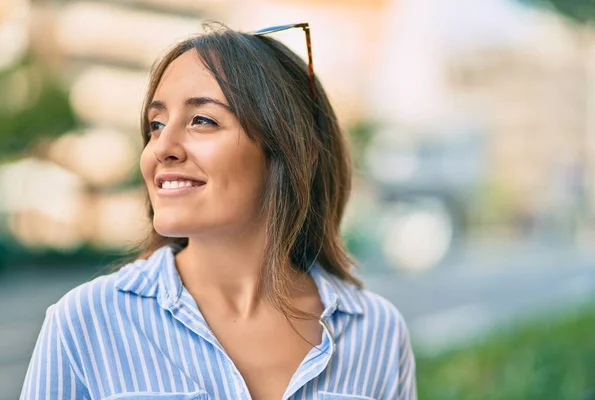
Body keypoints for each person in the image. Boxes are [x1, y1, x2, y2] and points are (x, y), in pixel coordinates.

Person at [21, 22, 416, 400]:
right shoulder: (85, 321)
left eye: (202, 120)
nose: (162, 148)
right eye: (156, 124)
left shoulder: (377, 331)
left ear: (293, 150)